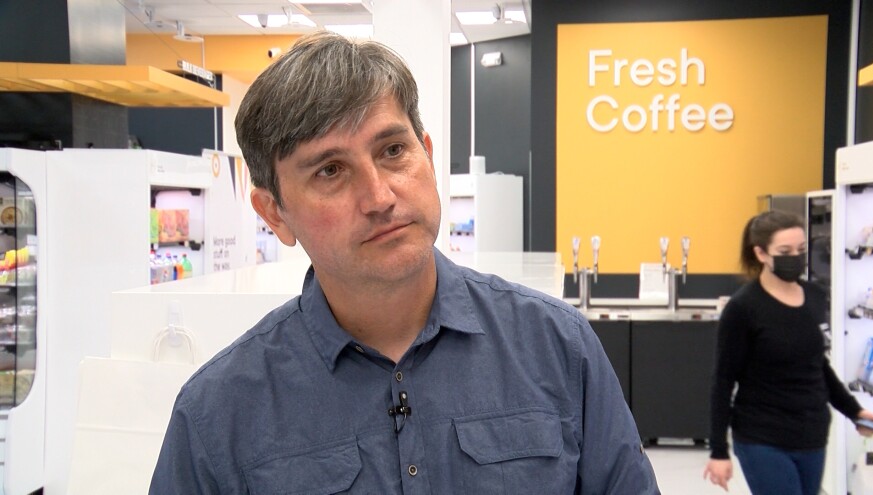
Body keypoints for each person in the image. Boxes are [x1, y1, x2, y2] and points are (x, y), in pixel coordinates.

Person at [149, 31, 659, 493]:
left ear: (428, 156)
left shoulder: (557, 347)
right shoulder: (219, 413)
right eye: (331, 170)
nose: (379, 196)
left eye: (393, 150)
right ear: (274, 214)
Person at [704, 210, 873, 494]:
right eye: (784, 251)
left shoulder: (814, 296)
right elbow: (722, 381)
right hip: (762, 436)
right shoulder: (743, 308)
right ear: (761, 253)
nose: (795, 257)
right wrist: (718, 451)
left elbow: (817, 366)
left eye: (800, 250)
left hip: (812, 434)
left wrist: (854, 410)